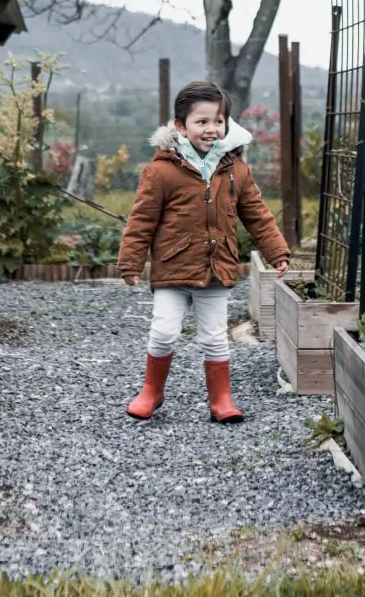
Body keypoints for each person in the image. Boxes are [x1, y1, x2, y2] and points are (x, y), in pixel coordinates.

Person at [117, 80, 291, 424]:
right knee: (164, 331)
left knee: (214, 336)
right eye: (201, 122)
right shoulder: (161, 171)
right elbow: (141, 220)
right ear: (181, 126)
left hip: (216, 269)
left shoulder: (235, 170)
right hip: (172, 270)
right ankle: (152, 390)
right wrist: (131, 262)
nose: (211, 129)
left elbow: (256, 213)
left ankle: (221, 399)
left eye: (218, 121)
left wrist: (276, 251)